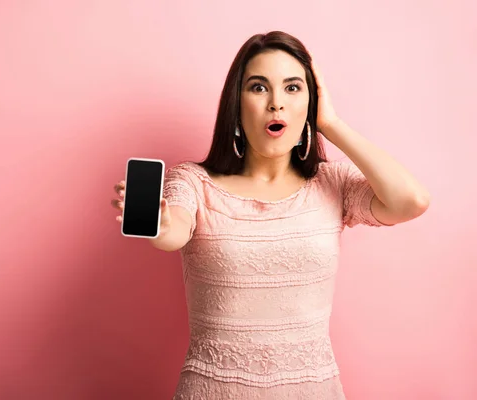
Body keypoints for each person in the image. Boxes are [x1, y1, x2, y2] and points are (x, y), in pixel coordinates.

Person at [111, 31, 430, 399]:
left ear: (310, 104)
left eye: (293, 88)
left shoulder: (332, 183)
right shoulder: (194, 182)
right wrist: (162, 224)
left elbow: (412, 201)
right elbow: (173, 232)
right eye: (259, 87)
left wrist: (331, 123)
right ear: (237, 103)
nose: (276, 103)